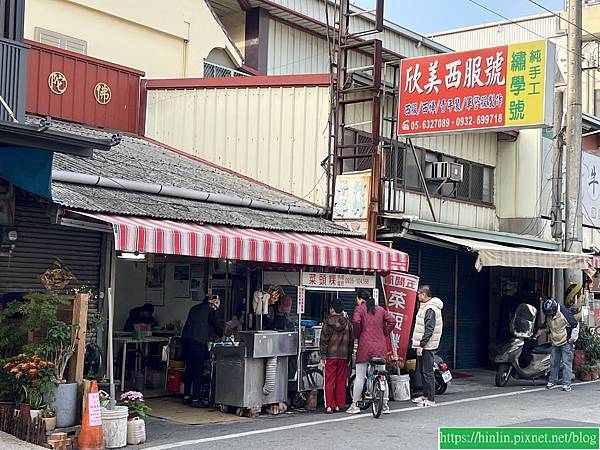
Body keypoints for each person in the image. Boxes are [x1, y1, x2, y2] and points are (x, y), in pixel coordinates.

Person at [347, 290, 395, 415]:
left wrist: (358, 334)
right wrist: (384, 332)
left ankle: (355, 405)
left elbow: (356, 322)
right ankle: (385, 406)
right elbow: (392, 321)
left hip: (365, 346)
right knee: (382, 375)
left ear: (360, 299)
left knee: (360, 377)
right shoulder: (380, 309)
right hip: (380, 347)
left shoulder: (359, 309)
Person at [181, 295, 223, 407]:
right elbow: (217, 326)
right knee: (198, 370)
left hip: (185, 340)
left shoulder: (194, 308)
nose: (217, 306)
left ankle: (186, 396)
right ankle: (196, 399)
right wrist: (223, 335)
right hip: (197, 342)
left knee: (189, 368)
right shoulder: (210, 310)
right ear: (212, 303)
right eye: (216, 303)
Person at [411, 285, 443, 407]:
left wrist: (421, 345)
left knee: (428, 372)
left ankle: (431, 399)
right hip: (424, 345)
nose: (417, 295)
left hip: (427, 346)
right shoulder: (426, 307)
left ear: (424, 294)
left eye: (419, 293)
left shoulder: (430, 308)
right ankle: (425, 395)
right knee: (423, 371)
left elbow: (429, 329)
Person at [320, 299, 353, 414]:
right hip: (344, 356)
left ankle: (329, 405)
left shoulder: (327, 322)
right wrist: (349, 356)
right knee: (341, 381)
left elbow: (323, 341)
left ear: (332, 309)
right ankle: (339, 405)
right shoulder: (348, 323)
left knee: (329, 380)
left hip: (330, 356)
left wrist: (323, 355)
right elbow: (351, 342)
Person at [540, 298, 579, 392]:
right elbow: (547, 326)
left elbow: (575, 325)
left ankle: (566, 384)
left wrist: (572, 339)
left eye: (550, 312)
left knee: (566, 363)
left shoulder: (564, 313)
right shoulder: (549, 314)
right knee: (553, 363)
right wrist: (540, 332)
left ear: (554, 308)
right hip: (555, 342)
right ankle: (552, 381)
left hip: (566, 342)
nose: (549, 315)